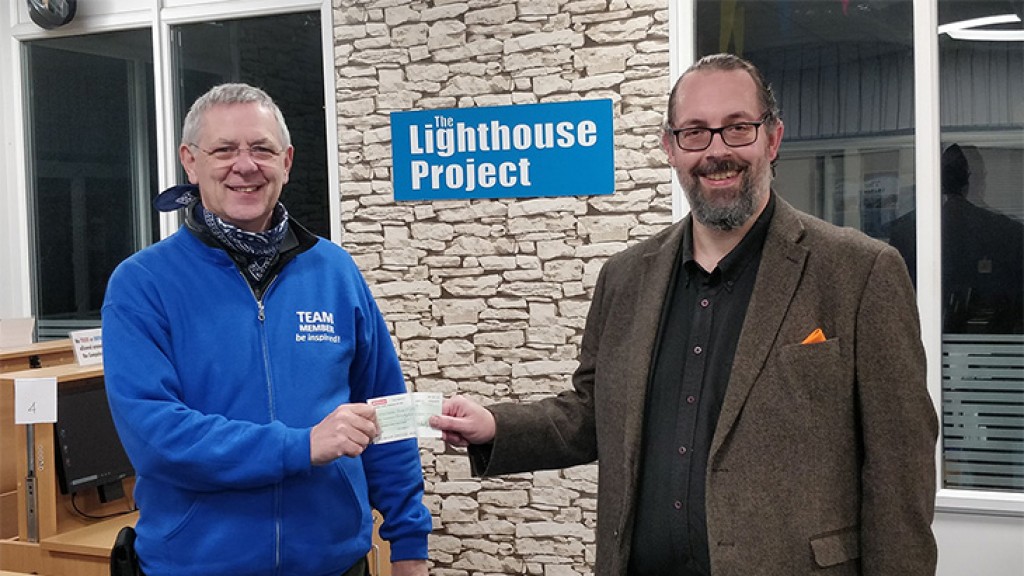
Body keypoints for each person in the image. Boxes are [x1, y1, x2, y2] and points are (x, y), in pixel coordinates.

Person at [430, 54, 938, 576]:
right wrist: (496, 426)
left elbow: (901, 469)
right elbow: (592, 413)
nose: (717, 151)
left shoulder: (859, 273)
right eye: (695, 132)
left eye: (737, 128)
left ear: (773, 139)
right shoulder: (625, 278)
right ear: (670, 148)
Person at [102, 83, 431, 576]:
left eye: (261, 148)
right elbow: (156, 438)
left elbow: (388, 411)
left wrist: (409, 545)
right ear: (190, 162)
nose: (245, 165)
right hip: (195, 568)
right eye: (224, 150)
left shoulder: (334, 272)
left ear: (287, 161)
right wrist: (300, 446)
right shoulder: (142, 284)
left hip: (335, 565)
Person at [889, 143, 1023, 333]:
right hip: (988, 342)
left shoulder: (905, 230)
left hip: (921, 337)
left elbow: (895, 300)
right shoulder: (1006, 231)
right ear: (972, 180)